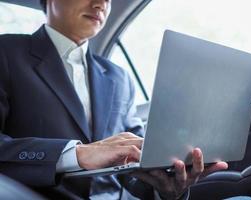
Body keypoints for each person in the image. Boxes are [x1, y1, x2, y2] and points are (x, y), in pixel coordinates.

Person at [0, 0, 227, 199]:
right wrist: (79, 154)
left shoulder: (119, 77)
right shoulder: (6, 52)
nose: (101, 4)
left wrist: (165, 189)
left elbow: (135, 167)